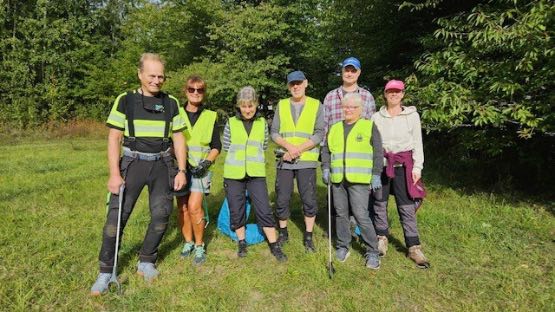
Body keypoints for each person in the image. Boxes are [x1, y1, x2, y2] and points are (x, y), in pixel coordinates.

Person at [90, 53, 187, 295]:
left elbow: (178, 138)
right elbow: (114, 137)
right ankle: (105, 272)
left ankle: (146, 261)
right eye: (152, 75)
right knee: (115, 221)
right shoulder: (125, 100)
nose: (156, 80)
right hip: (132, 164)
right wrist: (114, 173)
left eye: (161, 76)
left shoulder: (171, 102)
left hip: (162, 166)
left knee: (161, 216)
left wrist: (182, 170)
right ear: (140, 74)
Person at [222, 86, 287, 261]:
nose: (247, 110)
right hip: (234, 173)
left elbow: (264, 145)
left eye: (250, 106)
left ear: (256, 105)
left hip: (256, 173)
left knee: (264, 208)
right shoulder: (231, 122)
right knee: (237, 209)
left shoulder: (262, 124)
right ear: (239, 106)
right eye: (244, 106)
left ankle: (274, 245)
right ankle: (241, 241)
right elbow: (226, 146)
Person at [371, 79, 430, 268]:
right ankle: (382, 238)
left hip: (404, 165)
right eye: (390, 92)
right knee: (379, 202)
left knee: (406, 206)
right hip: (382, 164)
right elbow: (372, 144)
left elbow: (417, 143)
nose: (394, 95)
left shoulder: (411, 116)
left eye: (397, 92)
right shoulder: (376, 117)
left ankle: (413, 246)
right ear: (385, 94)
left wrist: (417, 168)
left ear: (402, 94)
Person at [321, 93, 383, 269]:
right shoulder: (334, 128)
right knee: (341, 214)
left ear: (360, 109)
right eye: (346, 107)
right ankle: (343, 246)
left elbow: (378, 152)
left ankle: (372, 251)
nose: (348, 110)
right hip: (338, 179)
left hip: (359, 180)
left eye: (352, 107)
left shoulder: (368, 126)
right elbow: (326, 150)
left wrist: (376, 173)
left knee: (361, 215)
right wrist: (325, 167)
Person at [321, 57, 376, 236]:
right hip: (336, 156)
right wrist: (325, 160)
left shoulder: (367, 97)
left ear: (359, 73)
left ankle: (357, 227)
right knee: (337, 200)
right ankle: (341, 234)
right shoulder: (330, 97)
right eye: (347, 70)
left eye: (353, 70)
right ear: (342, 72)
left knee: (359, 199)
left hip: (358, 158)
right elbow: (325, 127)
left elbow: (371, 127)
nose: (350, 73)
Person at [271, 70, 324, 252]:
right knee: (282, 197)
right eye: (292, 84)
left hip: (307, 160)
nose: (296, 86)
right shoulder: (282, 105)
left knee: (308, 198)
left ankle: (308, 236)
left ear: (306, 83)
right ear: (288, 86)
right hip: (284, 160)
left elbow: (319, 134)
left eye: (299, 83)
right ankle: (283, 232)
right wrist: (288, 147)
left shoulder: (317, 105)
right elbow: (274, 132)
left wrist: (297, 150)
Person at [176, 75, 221, 265]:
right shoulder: (175, 112)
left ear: (204, 93)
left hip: (201, 169)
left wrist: (206, 164)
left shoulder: (211, 116)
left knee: (195, 207)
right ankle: (188, 242)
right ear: (185, 91)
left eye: (200, 90)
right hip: (179, 168)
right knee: (183, 207)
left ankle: (200, 245)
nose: (195, 93)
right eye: (191, 89)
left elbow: (216, 146)